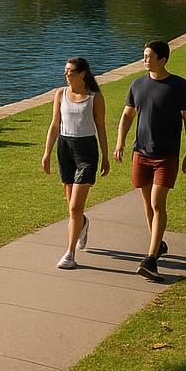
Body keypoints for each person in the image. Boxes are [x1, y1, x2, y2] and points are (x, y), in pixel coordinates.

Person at [114, 40, 186, 282]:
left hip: (166, 155)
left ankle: (150, 259)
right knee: (148, 205)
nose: (145, 60)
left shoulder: (179, 86)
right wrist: (120, 142)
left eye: (149, 56)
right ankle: (157, 245)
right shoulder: (137, 84)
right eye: (144, 56)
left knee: (158, 203)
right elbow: (127, 115)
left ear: (163, 59)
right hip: (141, 153)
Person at [41, 57, 109, 269]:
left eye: (70, 71)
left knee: (74, 207)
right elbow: (54, 125)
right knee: (72, 207)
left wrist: (106, 156)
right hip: (65, 148)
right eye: (65, 71)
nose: (66, 74)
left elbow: (101, 128)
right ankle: (83, 223)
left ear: (82, 74)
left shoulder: (94, 97)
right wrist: (47, 153)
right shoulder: (60, 94)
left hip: (86, 151)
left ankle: (70, 254)